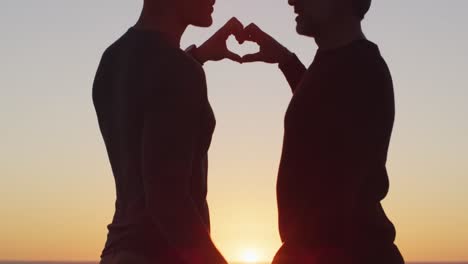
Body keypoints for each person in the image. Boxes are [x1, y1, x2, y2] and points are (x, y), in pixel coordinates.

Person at [240, 0, 405, 263]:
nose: (292, 1)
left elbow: (342, 196)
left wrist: (296, 254)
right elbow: (321, 113)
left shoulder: (362, 70)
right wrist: (285, 60)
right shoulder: (339, 64)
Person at [92, 0, 244, 263]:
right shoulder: (178, 70)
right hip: (160, 253)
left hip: (117, 252)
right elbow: (167, 202)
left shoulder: (112, 57)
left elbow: (150, 93)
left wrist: (197, 57)